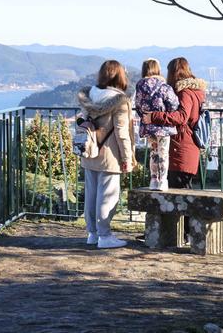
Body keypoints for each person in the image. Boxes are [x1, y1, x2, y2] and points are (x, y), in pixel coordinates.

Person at [76, 60, 135, 249]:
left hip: (89, 150)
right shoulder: (120, 100)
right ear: (120, 76)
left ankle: (92, 233)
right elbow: (121, 132)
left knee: (91, 195)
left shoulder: (89, 95)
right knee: (108, 196)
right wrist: (127, 158)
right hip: (110, 154)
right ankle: (105, 236)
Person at [141, 57, 207, 190]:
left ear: (173, 72)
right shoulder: (193, 91)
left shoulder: (185, 93)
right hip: (186, 147)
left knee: (178, 193)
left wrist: (154, 116)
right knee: (182, 192)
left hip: (180, 148)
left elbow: (181, 117)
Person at [134, 58, 179, 191]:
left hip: (149, 126)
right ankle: (163, 181)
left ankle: (154, 180)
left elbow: (138, 105)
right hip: (163, 126)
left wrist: (146, 117)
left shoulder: (140, 85)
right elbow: (173, 104)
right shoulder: (163, 86)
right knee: (163, 153)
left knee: (154, 153)